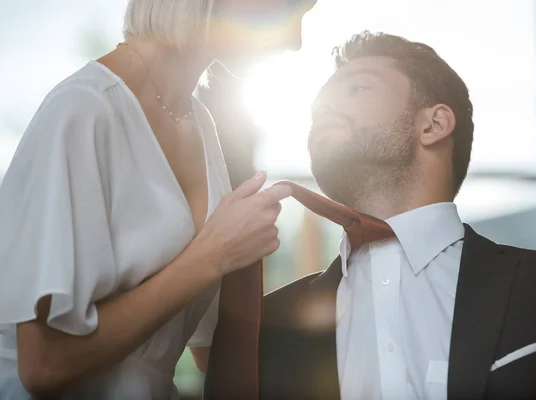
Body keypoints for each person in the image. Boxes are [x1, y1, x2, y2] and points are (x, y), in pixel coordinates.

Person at [212, 31, 536, 399]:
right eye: (316, 107)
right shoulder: (264, 326)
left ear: (434, 124)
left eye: (357, 87)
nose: (322, 109)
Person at [0, 0, 317, 398]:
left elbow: (204, 352)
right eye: (289, 8)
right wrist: (212, 255)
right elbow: (43, 365)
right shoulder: (84, 109)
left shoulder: (200, 122)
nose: (296, 41)